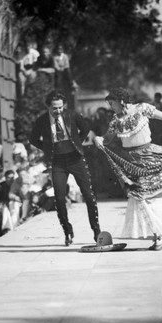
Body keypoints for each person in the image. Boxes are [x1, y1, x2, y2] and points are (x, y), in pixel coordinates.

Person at [93, 87, 162, 250]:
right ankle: (160, 234)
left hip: (148, 157)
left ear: (121, 101)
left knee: (142, 197)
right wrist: (98, 139)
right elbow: (106, 139)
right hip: (130, 164)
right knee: (145, 197)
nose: (111, 107)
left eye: (112, 103)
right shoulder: (115, 120)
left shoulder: (142, 108)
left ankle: (159, 234)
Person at [29, 90, 101, 245]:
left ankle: (96, 231)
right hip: (57, 162)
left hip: (76, 159)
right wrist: (47, 148)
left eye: (60, 107)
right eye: (54, 108)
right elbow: (33, 139)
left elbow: (86, 128)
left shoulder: (71, 115)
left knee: (88, 195)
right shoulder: (41, 120)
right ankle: (67, 231)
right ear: (48, 107)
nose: (58, 111)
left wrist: (78, 143)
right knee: (60, 198)